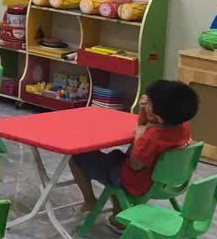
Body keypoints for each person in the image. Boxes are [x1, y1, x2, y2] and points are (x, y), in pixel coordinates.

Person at [69, 79, 199, 230]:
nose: (146, 101)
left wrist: (138, 138)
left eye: (149, 102)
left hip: (137, 182)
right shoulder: (183, 127)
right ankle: (118, 213)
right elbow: (146, 125)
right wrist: (145, 111)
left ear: (158, 114)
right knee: (116, 156)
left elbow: (135, 164)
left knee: (77, 158)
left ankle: (90, 201)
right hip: (166, 182)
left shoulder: (152, 137)